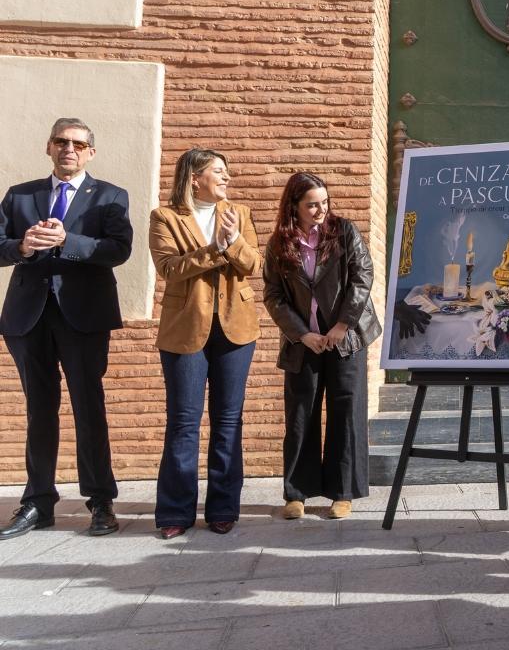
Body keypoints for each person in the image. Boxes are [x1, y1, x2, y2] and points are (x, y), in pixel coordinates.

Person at [0, 118, 131, 540]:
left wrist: (66, 242)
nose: (68, 149)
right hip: (29, 316)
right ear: (48, 146)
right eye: (61, 141)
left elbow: (118, 249)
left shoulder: (110, 196)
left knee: (88, 408)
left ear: (90, 152)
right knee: (40, 410)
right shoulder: (21, 195)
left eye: (77, 143)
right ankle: (38, 502)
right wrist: (21, 246)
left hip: (83, 317)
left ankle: (100, 501)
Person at [149, 148, 261, 539]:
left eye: (227, 172)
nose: (227, 178)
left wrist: (232, 242)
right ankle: (174, 513)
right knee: (183, 422)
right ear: (194, 177)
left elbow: (253, 266)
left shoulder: (240, 213)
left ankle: (223, 509)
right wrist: (217, 248)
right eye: (219, 171)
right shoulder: (164, 217)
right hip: (185, 329)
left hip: (236, 329)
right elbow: (169, 269)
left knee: (228, 421)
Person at [263, 172, 381, 520]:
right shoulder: (278, 244)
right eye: (312, 204)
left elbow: (362, 276)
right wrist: (302, 334)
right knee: (301, 414)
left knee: (346, 412)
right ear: (294, 207)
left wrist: (342, 325)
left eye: (324, 203)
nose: (320, 210)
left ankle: (342, 493)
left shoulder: (344, 231)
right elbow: (273, 295)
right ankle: (297, 493)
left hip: (347, 339)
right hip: (305, 343)